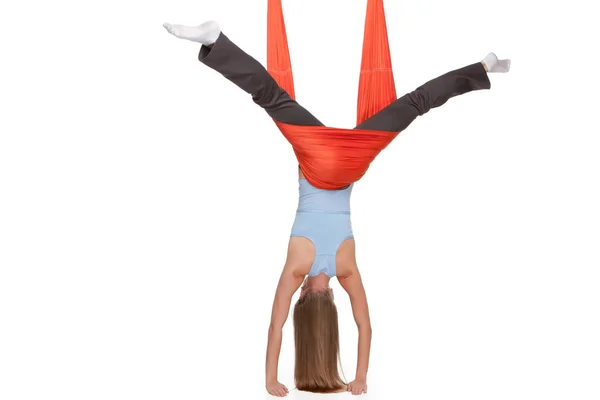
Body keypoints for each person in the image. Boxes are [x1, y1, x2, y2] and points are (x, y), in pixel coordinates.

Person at [163, 20, 510, 397]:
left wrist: (360, 378)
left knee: (415, 103)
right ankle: (215, 40)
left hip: (353, 162)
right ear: (302, 301)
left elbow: (365, 326)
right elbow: (275, 327)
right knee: (272, 97)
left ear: (330, 305)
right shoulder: (296, 268)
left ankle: (484, 67)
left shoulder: (346, 269)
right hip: (318, 157)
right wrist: (269, 380)